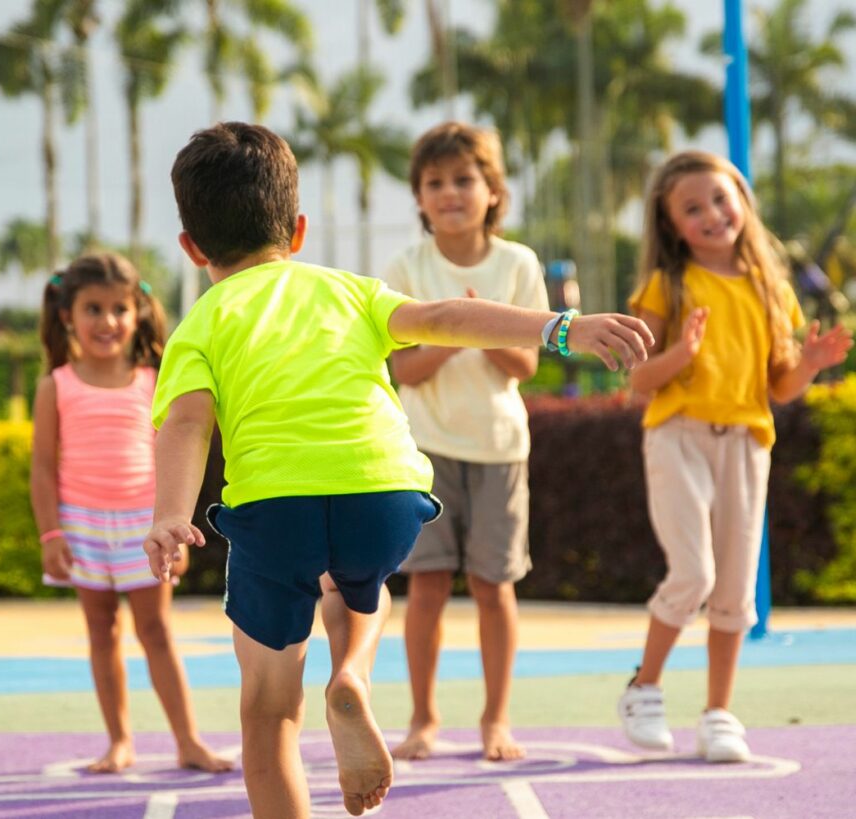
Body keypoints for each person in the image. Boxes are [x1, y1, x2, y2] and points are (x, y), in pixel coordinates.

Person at [143, 121, 652, 819]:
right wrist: (561, 327)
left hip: (274, 508)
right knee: (363, 586)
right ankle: (350, 673)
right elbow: (447, 316)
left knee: (268, 713)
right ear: (297, 231)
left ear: (191, 247)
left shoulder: (199, 324)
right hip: (382, 491)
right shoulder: (349, 291)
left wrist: (170, 516)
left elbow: (188, 422)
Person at [618, 150, 853, 763]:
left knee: (735, 587)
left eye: (721, 199)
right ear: (672, 226)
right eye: (692, 208)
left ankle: (719, 712)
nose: (712, 214)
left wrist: (809, 365)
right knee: (692, 573)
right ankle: (645, 687)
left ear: (743, 203)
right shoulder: (665, 285)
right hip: (679, 437)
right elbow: (640, 380)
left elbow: (780, 387)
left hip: (747, 443)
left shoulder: (773, 291)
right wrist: (683, 355)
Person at [29, 252, 233, 775]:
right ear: (67, 315)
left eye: (120, 309)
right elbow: (44, 469)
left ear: (138, 312)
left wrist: (175, 528)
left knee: (158, 632)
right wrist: (51, 534)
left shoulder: (154, 379)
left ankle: (188, 741)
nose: (108, 321)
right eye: (93, 309)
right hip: (83, 529)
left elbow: (179, 452)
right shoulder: (56, 385)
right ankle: (119, 742)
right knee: (101, 633)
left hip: (146, 527)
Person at [381, 122, 545, 763]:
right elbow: (404, 368)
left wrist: (479, 324)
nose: (450, 192)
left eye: (464, 179)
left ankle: (495, 721)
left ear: (492, 189)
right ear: (419, 197)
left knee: (492, 586)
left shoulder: (518, 263)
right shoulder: (406, 268)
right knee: (425, 586)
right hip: (423, 451)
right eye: (435, 182)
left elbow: (525, 366)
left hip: (501, 448)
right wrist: (448, 325)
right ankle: (424, 719)